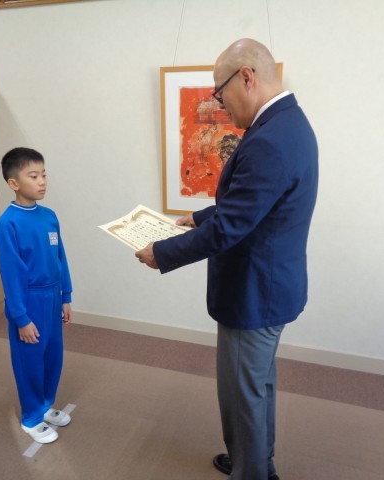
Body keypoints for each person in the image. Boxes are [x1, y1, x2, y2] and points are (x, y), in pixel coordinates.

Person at [135, 38, 318, 480]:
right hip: (270, 285)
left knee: (243, 394)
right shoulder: (287, 124)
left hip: (253, 293)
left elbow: (232, 227)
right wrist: (198, 217)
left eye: (220, 93)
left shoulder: (270, 139)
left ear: (247, 77)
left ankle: (251, 471)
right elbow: (252, 204)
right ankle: (256, 463)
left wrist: (162, 252)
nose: (220, 104)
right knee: (257, 386)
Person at [0, 147, 74, 444]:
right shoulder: (8, 224)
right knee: (30, 359)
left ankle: (44, 405)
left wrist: (66, 295)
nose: (42, 181)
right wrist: (21, 317)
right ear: (13, 183)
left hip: (53, 297)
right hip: (28, 300)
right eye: (33, 176)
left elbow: (60, 257)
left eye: (43, 175)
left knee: (53, 355)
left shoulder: (49, 217)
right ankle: (31, 417)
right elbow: (11, 274)